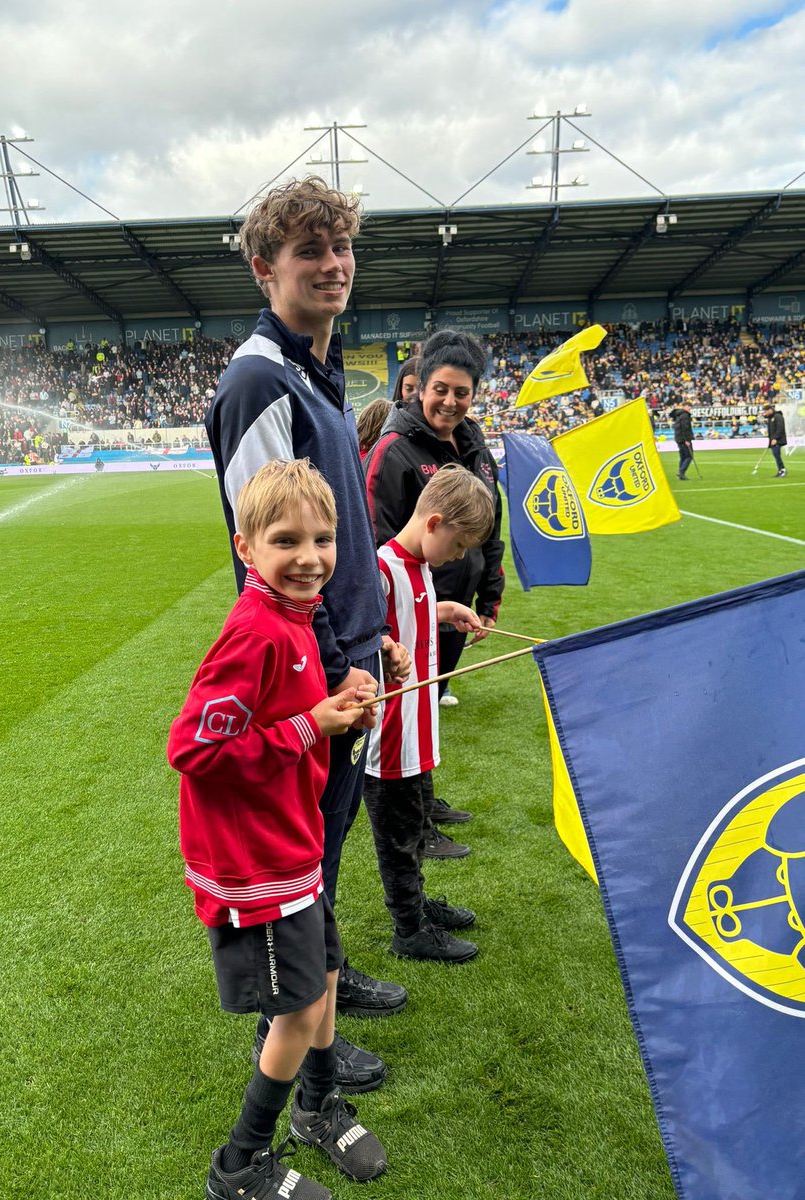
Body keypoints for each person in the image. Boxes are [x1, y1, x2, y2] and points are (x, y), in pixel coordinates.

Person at [204, 178, 410, 1071]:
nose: (333, 265)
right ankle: (287, 1032)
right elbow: (274, 552)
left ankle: (325, 976)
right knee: (301, 850)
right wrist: (334, 667)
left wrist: (375, 634)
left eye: (341, 247)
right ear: (265, 269)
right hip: (309, 673)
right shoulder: (259, 380)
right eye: (309, 252)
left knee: (327, 840)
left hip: (347, 655)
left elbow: (338, 536)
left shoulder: (317, 376)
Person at [167, 460, 387, 1200]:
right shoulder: (255, 632)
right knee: (297, 1010)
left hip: (293, 842)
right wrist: (309, 725)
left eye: (323, 539)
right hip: (254, 861)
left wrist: (340, 706)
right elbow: (194, 749)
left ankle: (317, 1108)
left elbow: (294, 713)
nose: (309, 557)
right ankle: (240, 1166)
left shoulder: (295, 618)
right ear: (246, 548)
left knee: (326, 976)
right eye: (285, 540)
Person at [363, 328, 505, 840]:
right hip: (405, 612)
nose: (450, 401)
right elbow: (374, 541)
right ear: (420, 387)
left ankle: (423, 803)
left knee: (426, 707)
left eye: (461, 392)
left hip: (451, 608)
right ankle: (411, 822)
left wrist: (489, 596)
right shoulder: (394, 449)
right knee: (401, 712)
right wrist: (390, 619)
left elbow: (492, 530)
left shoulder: (477, 449)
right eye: (440, 389)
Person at [363, 465, 495, 962]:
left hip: (417, 730)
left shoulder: (419, 567)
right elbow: (356, 634)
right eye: (458, 546)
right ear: (434, 523)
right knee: (398, 838)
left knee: (417, 826)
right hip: (390, 740)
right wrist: (382, 648)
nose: (459, 556)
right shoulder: (381, 569)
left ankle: (416, 904)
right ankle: (409, 928)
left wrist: (447, 609)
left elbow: (411, 616)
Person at [670, 401, 694, 479]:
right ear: (685, 406)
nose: (689, 408)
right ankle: (681, 472)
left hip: (678, 438)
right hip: (683, 438)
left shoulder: (678, 415)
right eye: (688, 406)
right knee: (689, 456)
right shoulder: (685, 416)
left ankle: (681, 473)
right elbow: (685, 428)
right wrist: (687, 439)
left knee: (683, 456)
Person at [765, 403, 787, 476]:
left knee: (777, 455)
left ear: (770, 410)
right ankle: (780, 470)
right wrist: (770, 442)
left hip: (778, 440)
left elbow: (780, 428)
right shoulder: (770, 418)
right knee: (776, 455)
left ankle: (782, 470)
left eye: (766, 411)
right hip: (773, 440)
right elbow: (770, 432)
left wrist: (775, 438)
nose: (765, 413)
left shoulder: (778, 416)